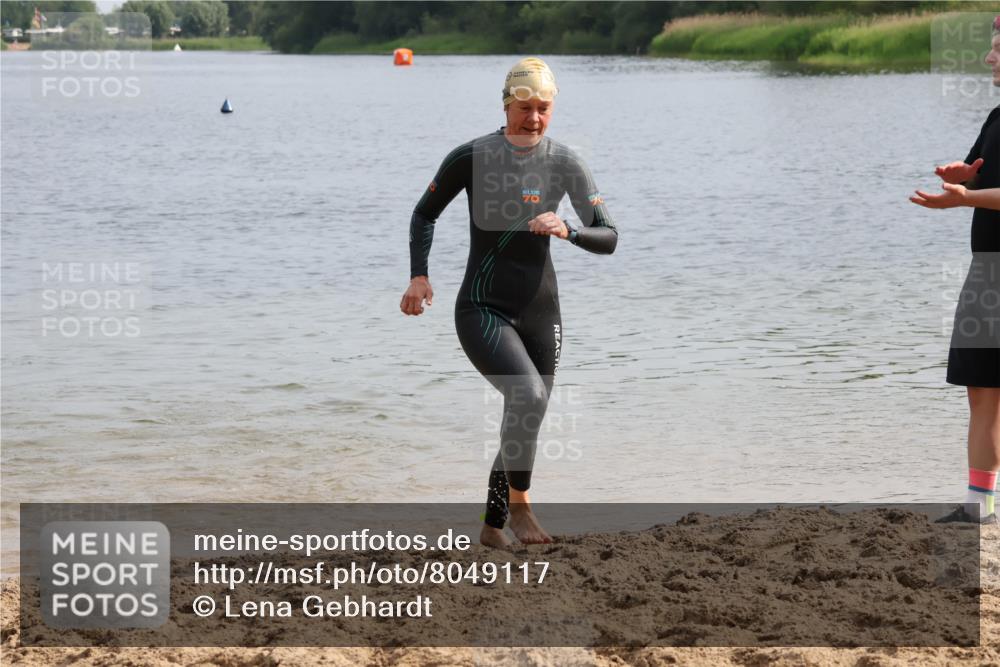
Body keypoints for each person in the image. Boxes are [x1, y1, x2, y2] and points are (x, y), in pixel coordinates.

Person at [400, 58, 618, 547]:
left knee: (528, 413)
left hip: (543, 311)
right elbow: (423, 214)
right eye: (525, 108)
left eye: (543, 108)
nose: (534, 118)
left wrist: (570, 229)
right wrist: (419, 275)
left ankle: (491, 526)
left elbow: (610, 236)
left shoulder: (565, 162)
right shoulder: (472, 157)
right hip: (483, 307)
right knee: (528, 397)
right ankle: (520, 511)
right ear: (506, 104)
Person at [910, 16, 1000, 523]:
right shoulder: (996, 117)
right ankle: (980, 507)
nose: (989, 58)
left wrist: (966, 200)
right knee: (982, 388)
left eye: (997, 49)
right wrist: (960, 177)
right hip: (987, 271)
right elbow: (976, 173)